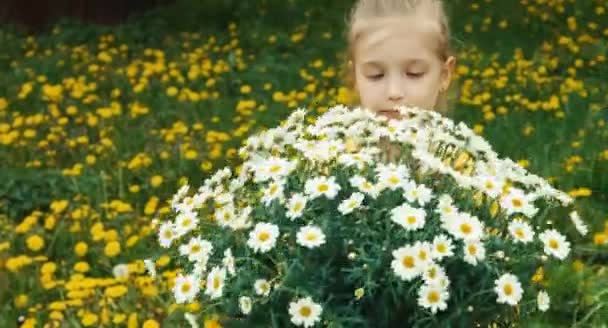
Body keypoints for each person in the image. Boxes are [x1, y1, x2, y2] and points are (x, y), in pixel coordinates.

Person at [345, 0, 458, 162]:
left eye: (414, 74)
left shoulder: (460, 167)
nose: (394, 92)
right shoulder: (328, 161)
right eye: (375, 75)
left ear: (444, 75)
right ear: (354, 76)